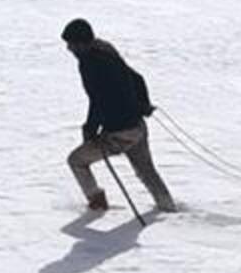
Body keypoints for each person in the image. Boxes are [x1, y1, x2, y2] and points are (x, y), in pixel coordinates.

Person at [60, 17, 176, 214]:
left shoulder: (90, 63)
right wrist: (143, 105)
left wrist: (90, 129)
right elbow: (137, 78)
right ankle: (168, 208)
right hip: (137, 126)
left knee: (77, 161)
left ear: (82, 43)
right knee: (146, 171)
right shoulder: (105, 49)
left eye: (71, 44)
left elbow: (98, 100)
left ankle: (97, 204)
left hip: (119, 133)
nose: (69, 49)